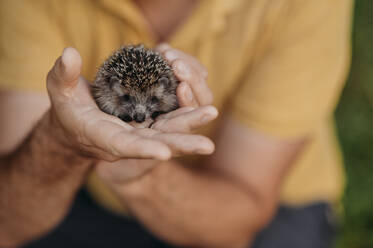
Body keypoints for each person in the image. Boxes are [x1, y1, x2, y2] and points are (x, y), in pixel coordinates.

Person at [0, 0, 353, 247]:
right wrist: (61, 141)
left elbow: (236, 227)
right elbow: (7, 222)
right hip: (90, 191)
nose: (138, 114)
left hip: (271, 201)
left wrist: (140, 172)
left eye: (151, 104)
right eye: (127, 103)